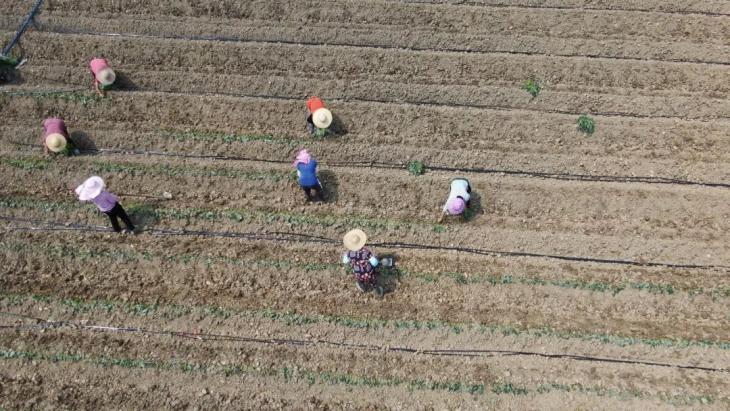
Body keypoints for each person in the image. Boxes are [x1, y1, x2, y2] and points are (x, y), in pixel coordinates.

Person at [341, 229, 384, 297]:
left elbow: (345, 261)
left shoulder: (349, 253)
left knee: (360, 279)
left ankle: (362, 285)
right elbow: (374, 263)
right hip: (369, 272)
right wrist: (377, 262)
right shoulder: (366, 252)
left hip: (358, 273)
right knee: (373, 280)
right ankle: (377, 291)